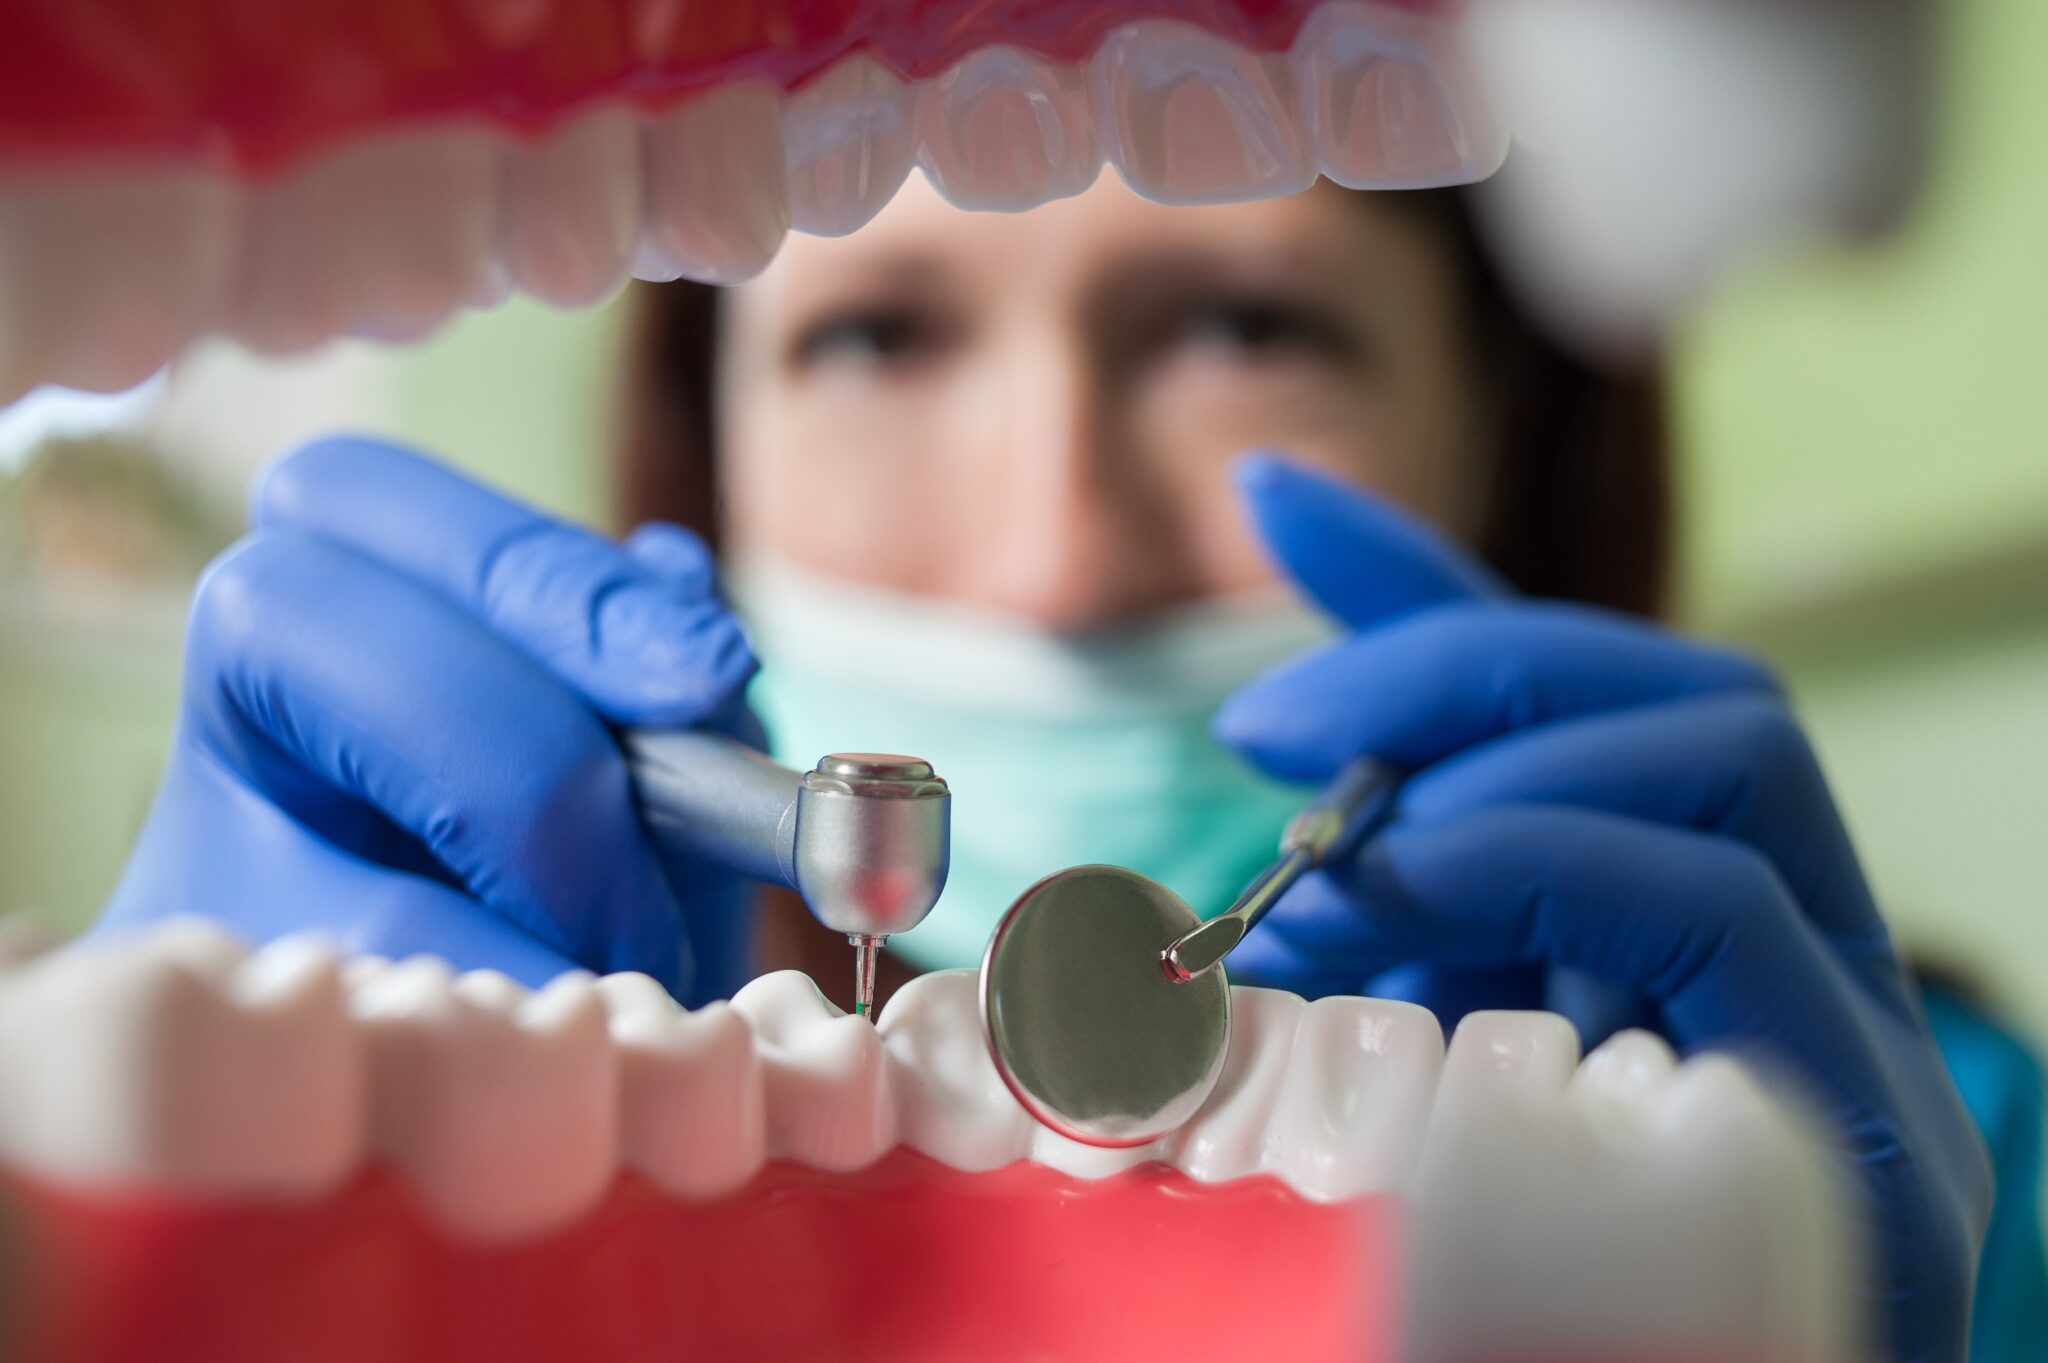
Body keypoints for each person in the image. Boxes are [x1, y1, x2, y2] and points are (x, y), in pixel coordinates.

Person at [95, 172, 2036, 1362]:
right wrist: (128, 1265)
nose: (1055, 558)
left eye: (1239, 322)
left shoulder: (1929, 1160)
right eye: (876, 339)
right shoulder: (437, 1103)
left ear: (1506, 425)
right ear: (708, 444)